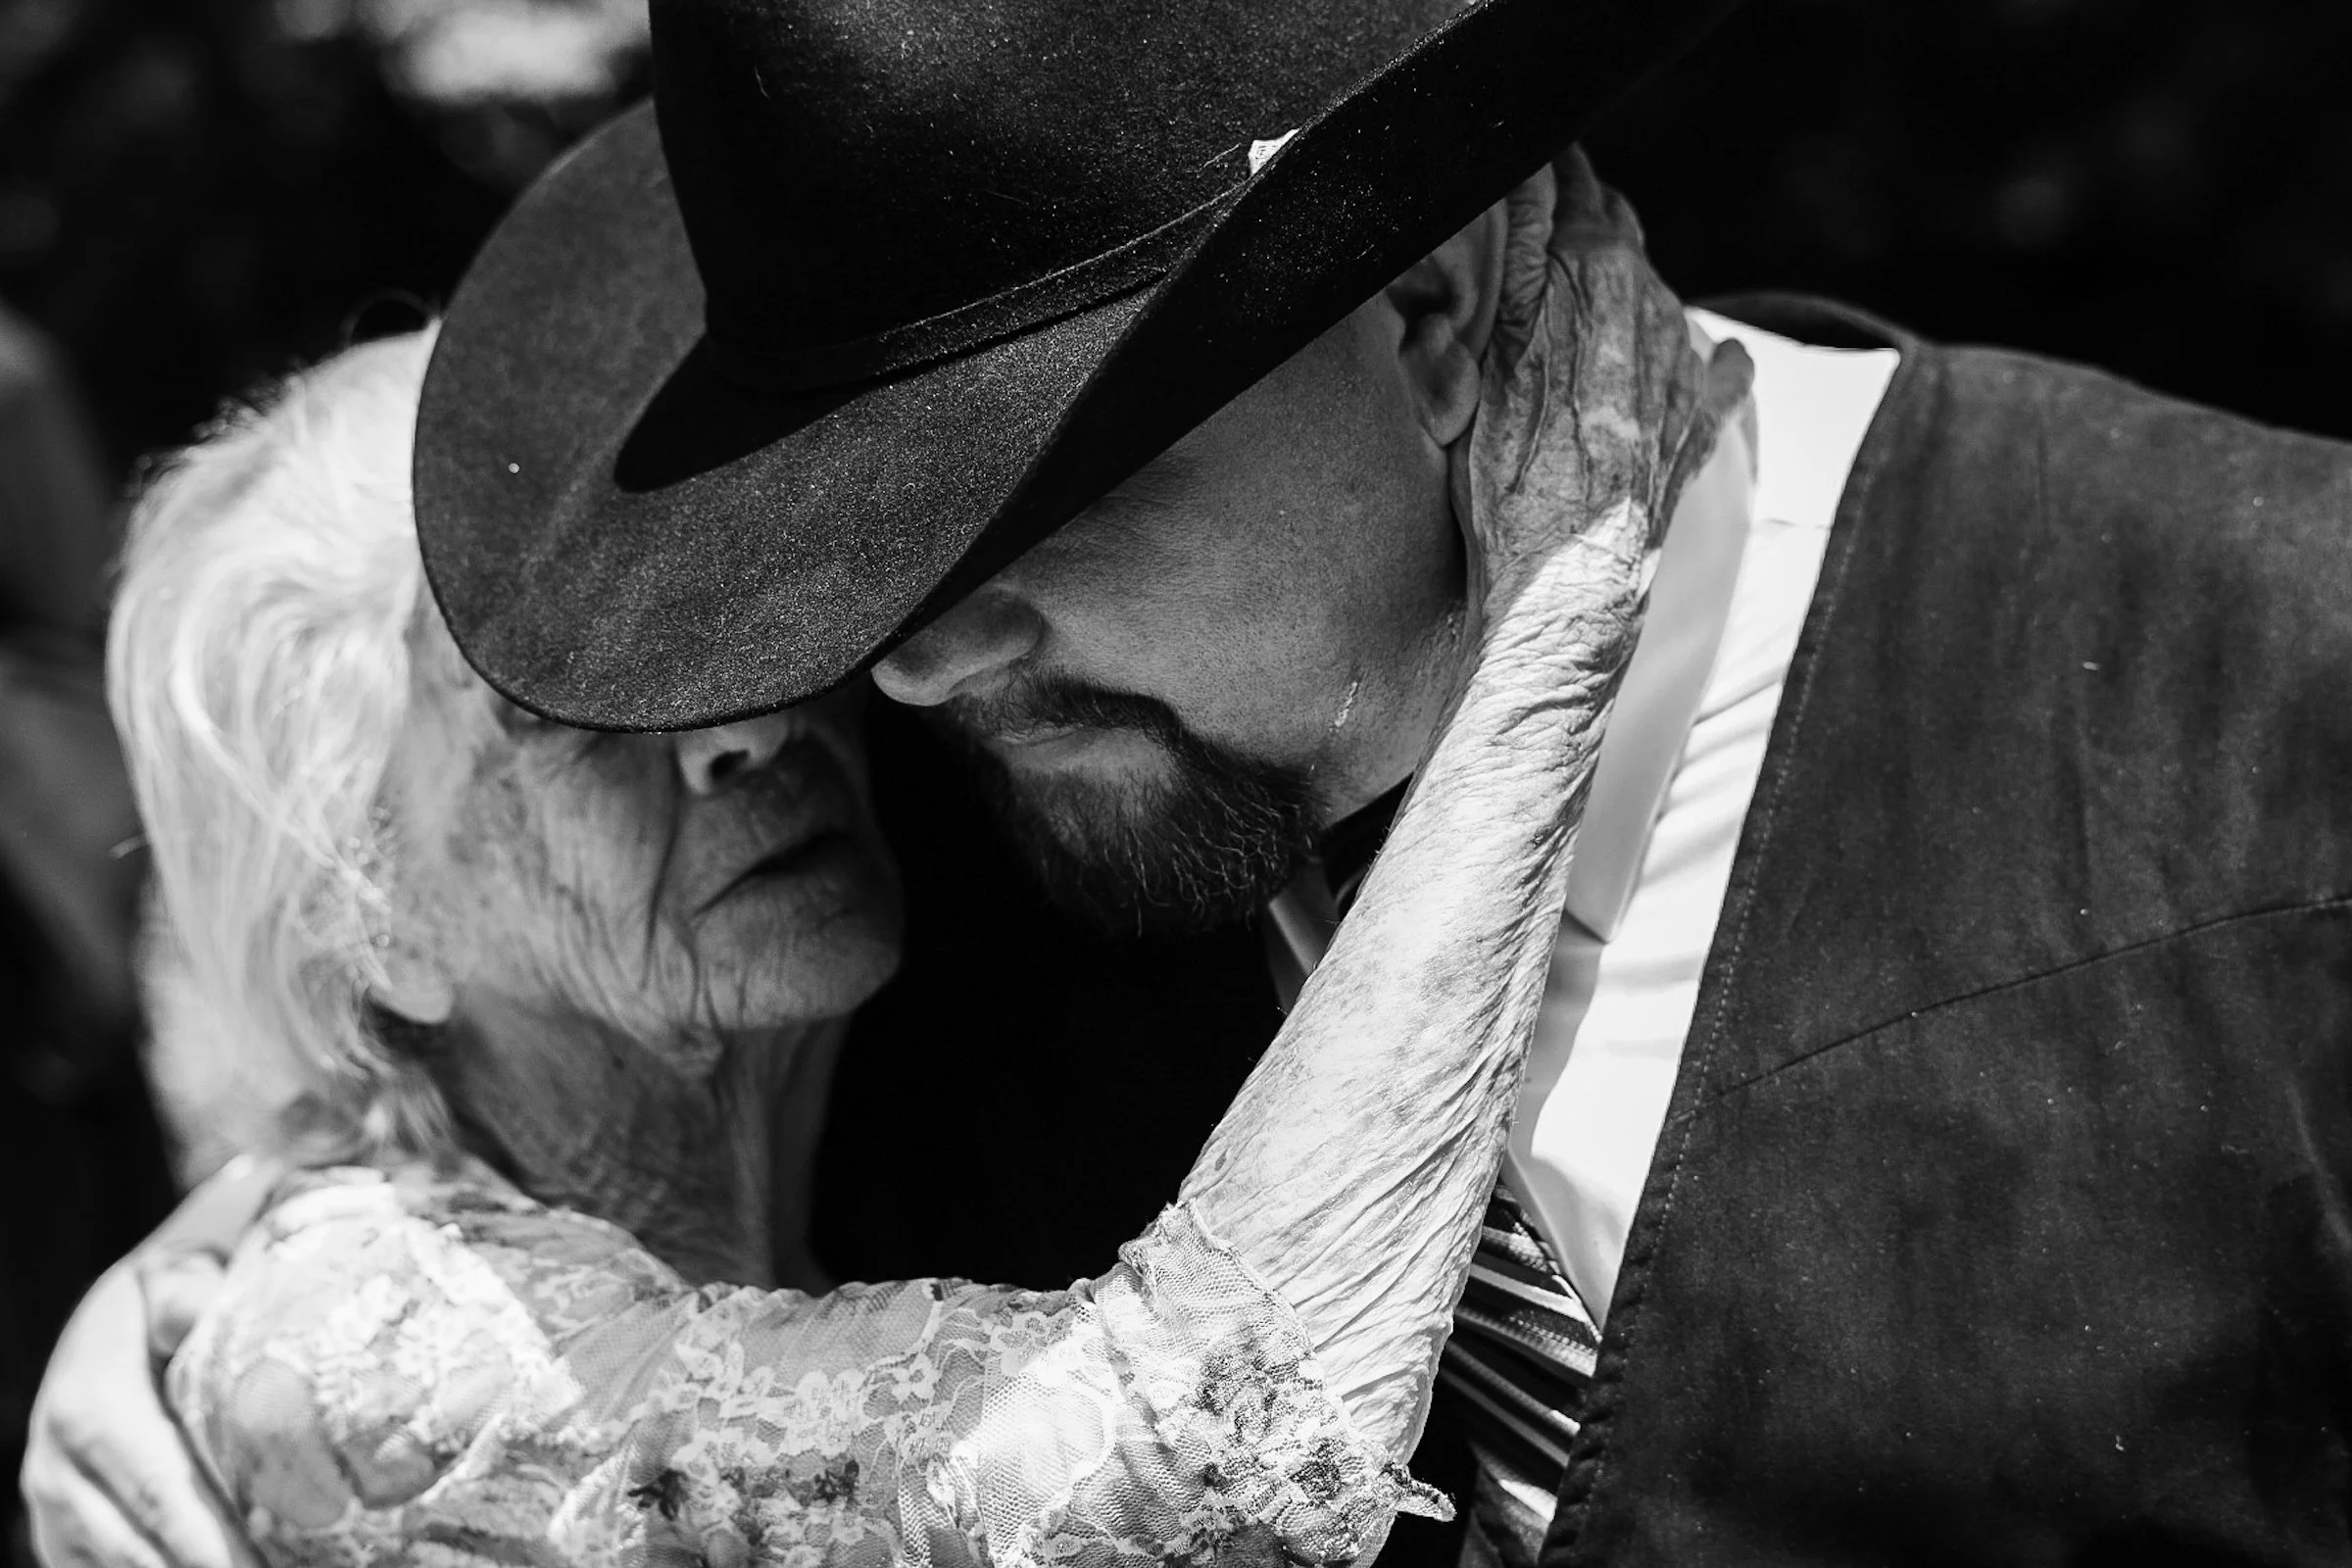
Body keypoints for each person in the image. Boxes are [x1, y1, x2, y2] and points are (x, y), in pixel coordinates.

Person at [37, 0, 2352, 1558]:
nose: (906, 660)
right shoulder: (955, 868)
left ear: (1426, 317)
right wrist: (224, 1290)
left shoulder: (2275, 714)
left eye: (1028, 489)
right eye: (837, 556)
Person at [28, 161, 1740, 1567]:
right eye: (556, 715)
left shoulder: (946, 952)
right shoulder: (344, 1339)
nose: (738, 727)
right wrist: (1557, 602)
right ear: (365, 919)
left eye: (703, 639)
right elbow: (1199, 1465)